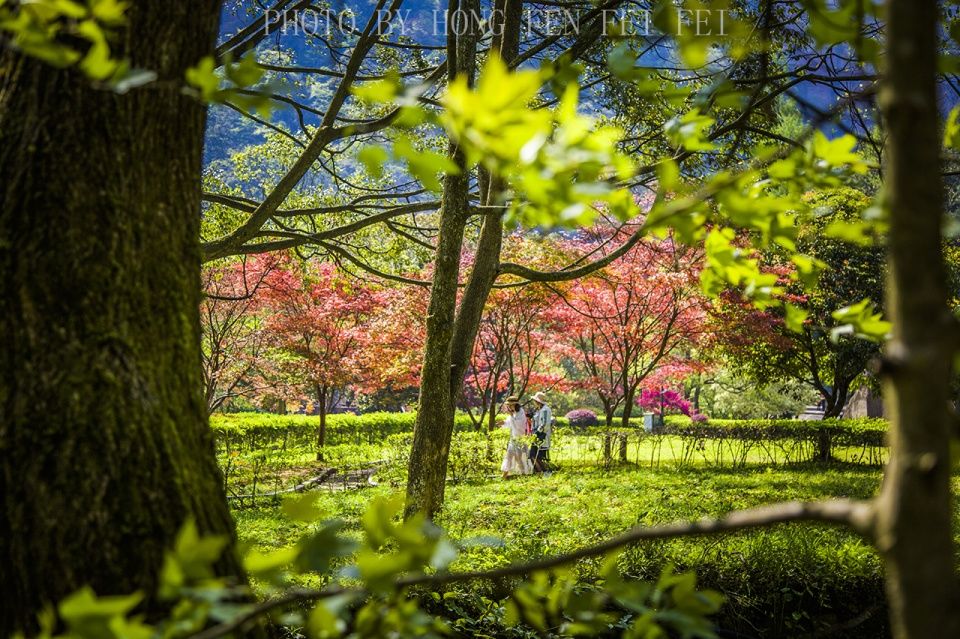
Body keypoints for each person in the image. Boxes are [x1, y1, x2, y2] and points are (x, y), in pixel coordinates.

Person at [501, 396, 533, 478]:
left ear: (514, 405)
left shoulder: (520, 413)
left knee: (520, 457)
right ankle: (504, 475)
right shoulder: (513, 412)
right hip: (513, 438)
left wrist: (511, 416)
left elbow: (519, 426)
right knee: (509, 455)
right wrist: (503, 423)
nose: (509, 407)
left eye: (510, 405)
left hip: (519, 438)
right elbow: (509, 423)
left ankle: (524, 473)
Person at [529, 391, 553, 474]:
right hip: (536, 435)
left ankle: (546, 472)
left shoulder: (545, 410)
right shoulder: (539, 409)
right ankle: (540, 472)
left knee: (538, 456)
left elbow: (544, 424)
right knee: (532, 455)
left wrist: (537, 433)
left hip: (541, 436)